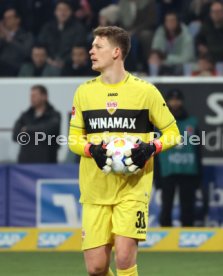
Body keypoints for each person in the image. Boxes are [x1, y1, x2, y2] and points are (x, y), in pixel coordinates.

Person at [68, 26, 180, 276]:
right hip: (95, 190)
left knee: (125, 259)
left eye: (98, 46)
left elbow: (174, 133)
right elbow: (73, 140)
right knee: (96, 268)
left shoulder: (145, 91)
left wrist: (152, 147)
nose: (91, 51)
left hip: (133, 188)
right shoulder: (84, 92)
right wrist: (91, 150)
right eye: (92, 46)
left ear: (116, 52)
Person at [157, 89, 202, 227]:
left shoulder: (192, 122)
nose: (175, 103)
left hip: (188, 170)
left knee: (188, 206)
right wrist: (157, 175)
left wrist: (199, 174)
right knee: (167, 205)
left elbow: (198, 150)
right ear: (167, 102)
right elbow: (155, 149)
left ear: (182, 101)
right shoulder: (160, 123)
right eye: (172, 99)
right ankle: (164, 235)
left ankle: (188, 235)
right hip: (168, 170)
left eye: (177, 100)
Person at [12, 85, 61, 163]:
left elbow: (48, 131)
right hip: (25, 165)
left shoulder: (54, 115)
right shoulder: (25, 115)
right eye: (31, 96)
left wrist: (27, 129)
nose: (32, 98)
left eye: (35, 96)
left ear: (44, 97)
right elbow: (15, 136)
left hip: (47, 164)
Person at [38, 0, 87, 69]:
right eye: (60, 10)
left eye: (65, 10)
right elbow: (41, 45)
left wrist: (65, 62)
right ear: (55, 12)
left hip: (70, 65)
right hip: (48, 64)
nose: (62, 13)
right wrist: (48, 59)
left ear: (71, 12)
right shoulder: (47, 27)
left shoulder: (78, 28)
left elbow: (79, 49)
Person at [0, 8, 33, 76]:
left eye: (8, 18)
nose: (5, 20)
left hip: (16, 67)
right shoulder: (2, 36)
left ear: (17, 20)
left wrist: (10, 38)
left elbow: (26, 52)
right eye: (4, 18)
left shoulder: (26, 35)